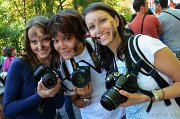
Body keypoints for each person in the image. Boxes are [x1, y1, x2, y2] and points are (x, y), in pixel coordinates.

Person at [82, 2, 180, 119]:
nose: (98, 30)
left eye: (103, 20)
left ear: (116, 20)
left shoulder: (143, 44)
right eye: (92, 27)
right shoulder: (110, 58)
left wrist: (149, 96)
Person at [48, 9, 125, 119]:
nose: (61, 46)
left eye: (67, 38)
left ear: (80, 34)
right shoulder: (64, 67)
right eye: (55, 40)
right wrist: (86, 97)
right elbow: (75, 102)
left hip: (123, 112)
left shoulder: (99, 45)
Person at [3, 16, 64, 119]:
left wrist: (57, 91)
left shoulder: (56, 62)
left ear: (52, 38)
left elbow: (59, 104)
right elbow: (7, 110)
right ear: (29, 43)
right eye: (34, 42)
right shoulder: (19, 65)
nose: (40, 46)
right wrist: (39, 96)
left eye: (45, 39)